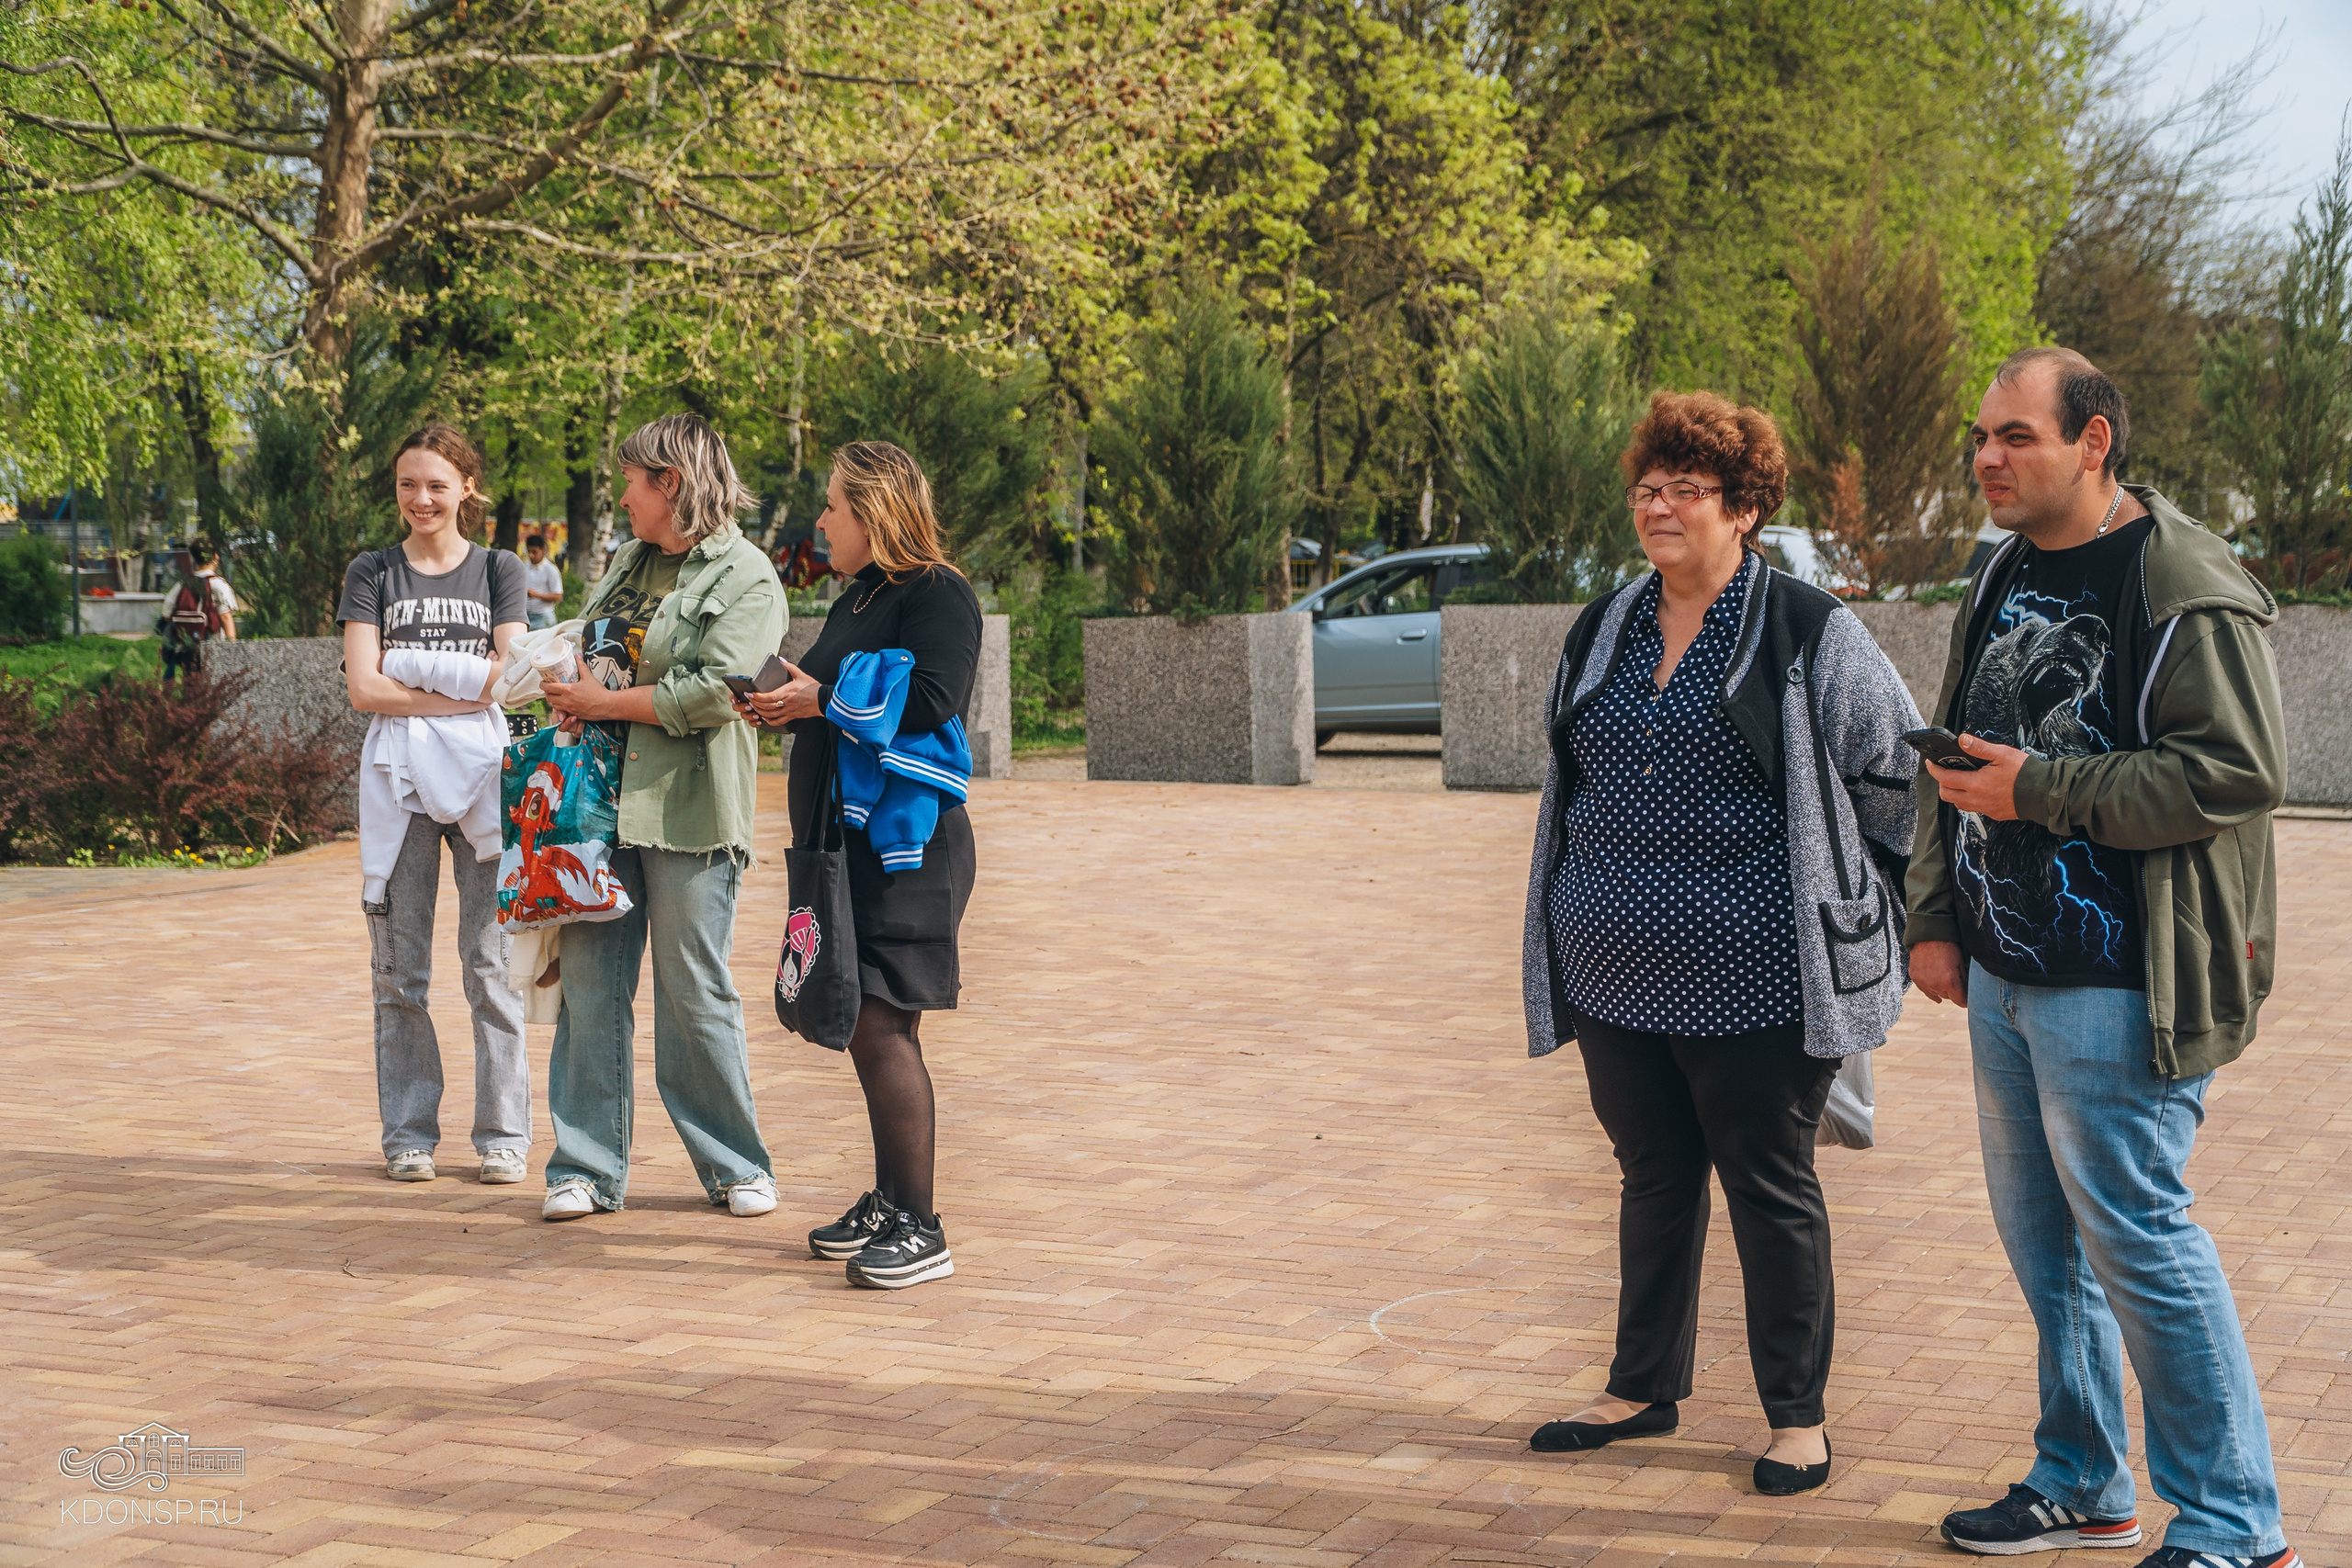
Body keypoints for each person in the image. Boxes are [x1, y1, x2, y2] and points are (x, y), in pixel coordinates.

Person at [1911, 349, 2299, 1568]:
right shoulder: (2002, 566)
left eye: (2016, 436)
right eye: (1981, 435)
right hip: (2005, 968)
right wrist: (1934, 908)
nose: (1988, 457)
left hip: (2126, 980)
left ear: (2094, 443)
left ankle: (2237, 1523)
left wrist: (2042, 790)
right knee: (2044, 1239)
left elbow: (2236, 770)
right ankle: (2083, 1477)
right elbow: (1959, 744)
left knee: (2139, 1234)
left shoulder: (2183, 577)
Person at [1520, 391, 1921, 1495]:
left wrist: (1873, 905)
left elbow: (1898, 776)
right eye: (1646, 489)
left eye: (1684, 490)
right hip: (1611, 968)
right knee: (1652, 1175)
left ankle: (1797, 1419)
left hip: (1760, 978)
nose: (1658, 507)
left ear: (1742, 507)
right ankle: (1641, 1386)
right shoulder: (1602, 624)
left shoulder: (1803, 628)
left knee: (1766, 1182)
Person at [741, 441, 981, 1290]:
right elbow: (838, 699)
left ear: (874, 512)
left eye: (833, 507)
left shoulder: (938, 594)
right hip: (847, 842)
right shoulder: (861, 595)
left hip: (907, 849)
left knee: (880, 1021)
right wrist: (787, 700)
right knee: (870, 1022)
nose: (821, 521)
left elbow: (932, 700)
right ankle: (888, 1199)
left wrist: (819, 698)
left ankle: (922, 1224)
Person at [537, 413, 786, 1223]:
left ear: (668, 483)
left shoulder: (747, 575)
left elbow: (720, 690)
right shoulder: (625, 563)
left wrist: (604, 699)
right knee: (589, 985)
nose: (622, 494)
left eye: (631, 479)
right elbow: (596, 648)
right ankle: (582, 1166)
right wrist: (565, 685)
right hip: (596, 806)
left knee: (693, 989)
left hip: (689, 812)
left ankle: (737, 1164)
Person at [337, 426, 533, 1186]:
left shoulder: (499, 571)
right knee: (398, 974)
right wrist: (458, 685)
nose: (420, 499)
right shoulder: (373, 572)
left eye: (436, 485)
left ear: (467, 488)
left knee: (490, 969)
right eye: (407, 485)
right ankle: (410, 1134)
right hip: (399, 788)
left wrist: (408, 677)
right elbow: (362, 687)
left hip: (485, 786)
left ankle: (503, 1136)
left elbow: (507, 679)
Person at [161, 538, 237, 680]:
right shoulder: (219, 585)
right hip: (212, 646)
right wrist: (232, 646)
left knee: (191, 686)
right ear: (215, 557)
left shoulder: (183, 584)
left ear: (194, 558)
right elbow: (225, 617)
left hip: (186, 647)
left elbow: (166, 613)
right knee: (213, 686)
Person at [521, 534, 565, 629]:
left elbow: (558, 596)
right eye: (529, 552)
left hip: (543, 616)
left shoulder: (550, 570)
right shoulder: (525, 566)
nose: (531, 556)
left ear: (543, 550)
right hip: (526, 614)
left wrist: (537, 595)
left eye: (534, 552)